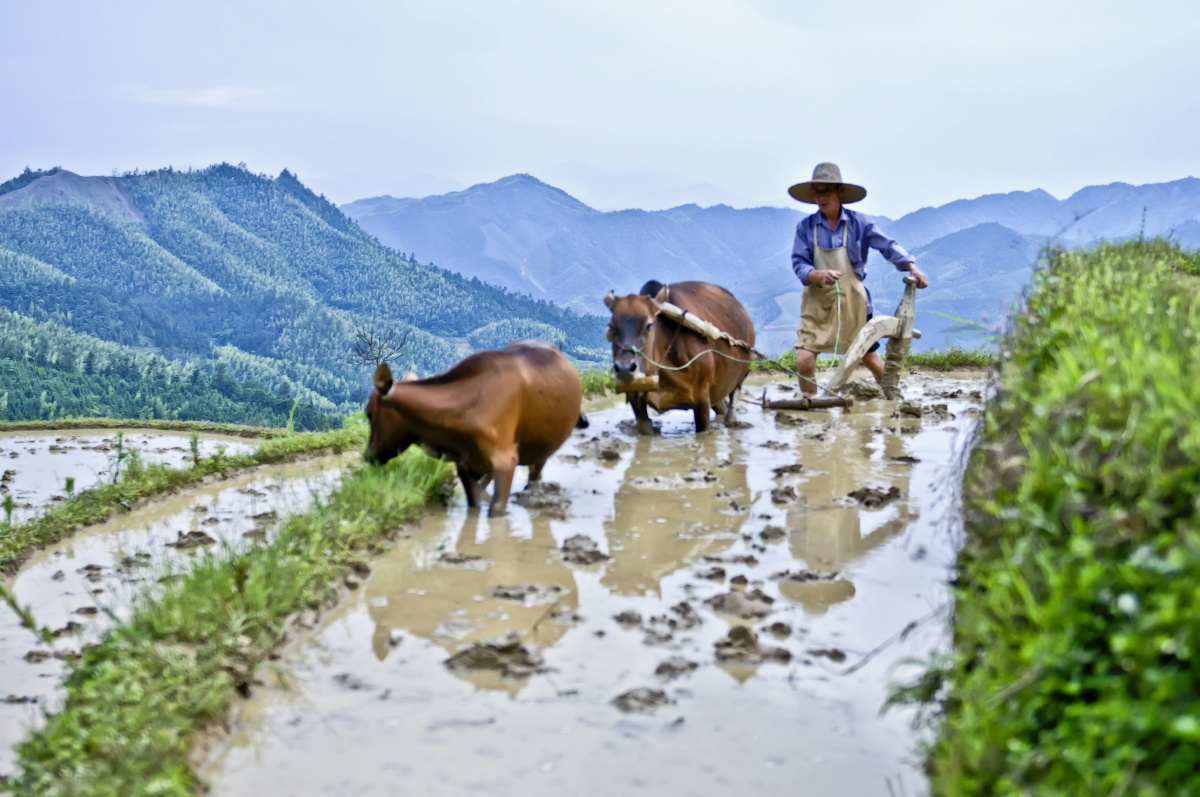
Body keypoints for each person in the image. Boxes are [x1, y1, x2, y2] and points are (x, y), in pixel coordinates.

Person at [788, 162, 929, 394]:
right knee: (804, 361)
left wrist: (912, 267)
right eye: (817, 190)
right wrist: (817, 274)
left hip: (854, 304)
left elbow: (888, 246)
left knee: (871, 360)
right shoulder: (806, 227)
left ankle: (894, 400)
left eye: (826, 190)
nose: (821, 196)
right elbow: (799, 264)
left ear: (840, 191)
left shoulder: (859, 223)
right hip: (817, 305)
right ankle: (810, 408)